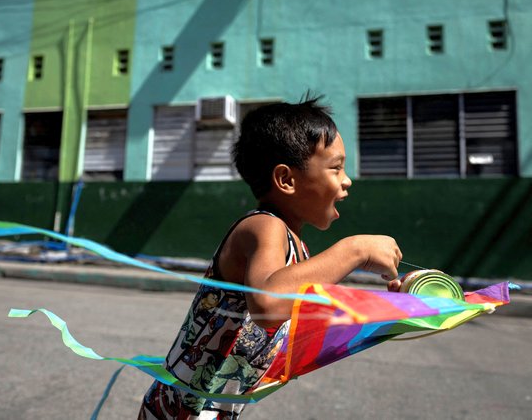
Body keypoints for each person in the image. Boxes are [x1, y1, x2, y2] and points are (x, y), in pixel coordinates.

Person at [138, 96, 402, 419]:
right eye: (336, 168)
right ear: (287, 180)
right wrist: (354, 250)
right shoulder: (264, 227)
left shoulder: (298, 252)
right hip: (178, 412)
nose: (347, 180)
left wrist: (397, 306)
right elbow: (267, 304)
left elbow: (304, 323)